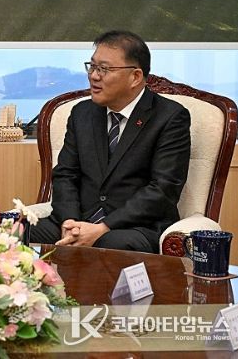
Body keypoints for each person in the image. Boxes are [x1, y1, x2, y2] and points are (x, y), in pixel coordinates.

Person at [28, 30, 191, 253]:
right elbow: (65, 174)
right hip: (78, 221)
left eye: (104, 69)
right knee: (10, 231)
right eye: (92, 67)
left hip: (134, 227)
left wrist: (103, 227)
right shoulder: (82, 113)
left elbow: (163, 189)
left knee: (112, 244)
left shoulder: (169, 117)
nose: (94, 76)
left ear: (135, 77)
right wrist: (70, 222)